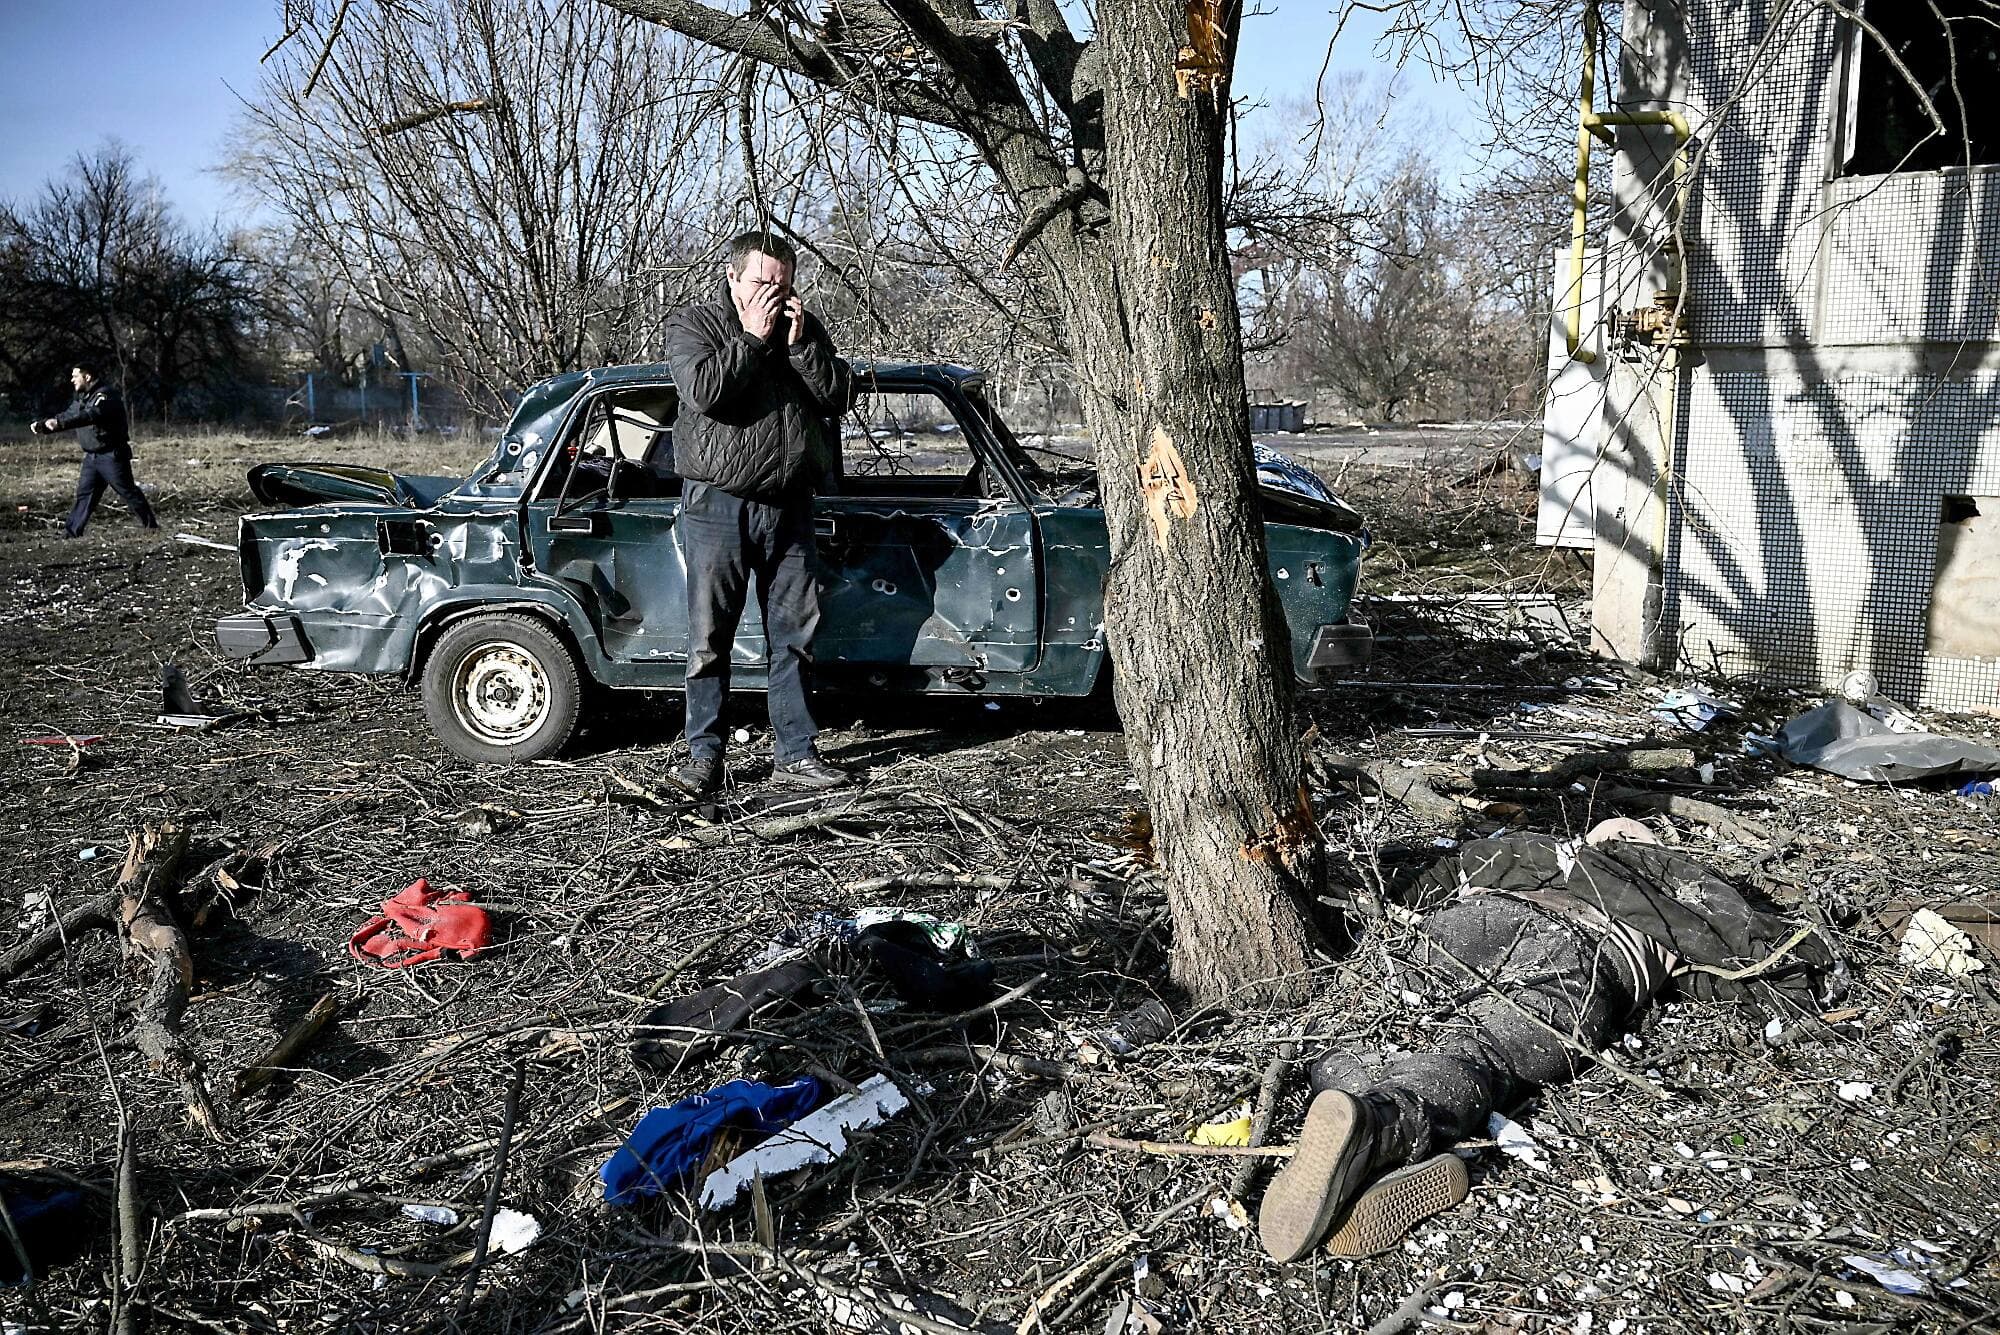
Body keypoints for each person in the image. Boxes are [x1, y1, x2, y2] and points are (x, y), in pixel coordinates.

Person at [1258, 822, 1841, 1262]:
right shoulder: (1678, 898)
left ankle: (1352, 1117)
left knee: (1374, 1011)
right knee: (1482, 1050)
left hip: (1482, 916)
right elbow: (1772, 969)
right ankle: (1387, 1126)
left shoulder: (1527, 854)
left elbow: (1426, 886)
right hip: (1582, 958)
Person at [664, 230, 853, 794]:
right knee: (709, 636)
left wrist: (800, 347)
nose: (773, 293)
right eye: (761, 282)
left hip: (790, 505)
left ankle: (795, 753)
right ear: (732, 278)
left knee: (794, 633)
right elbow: (703, 391)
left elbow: (838, 396)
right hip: (718, 504)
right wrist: (749, 338)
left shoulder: (803, 329)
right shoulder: (696, 324)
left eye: (783, 283)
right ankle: (704, 757)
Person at [30, 359, 157, 538]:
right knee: (85, 494)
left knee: (127, 491)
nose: (72, 380)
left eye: (75, 376)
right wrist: (44, 425)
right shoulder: (83, 398)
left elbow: (90, 415)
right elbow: (69, 415)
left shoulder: (105, 396)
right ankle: (71, 532)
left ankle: (151, 527)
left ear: (87, 376)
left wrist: (60, 423)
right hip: (92, 457)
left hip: (111, 455)